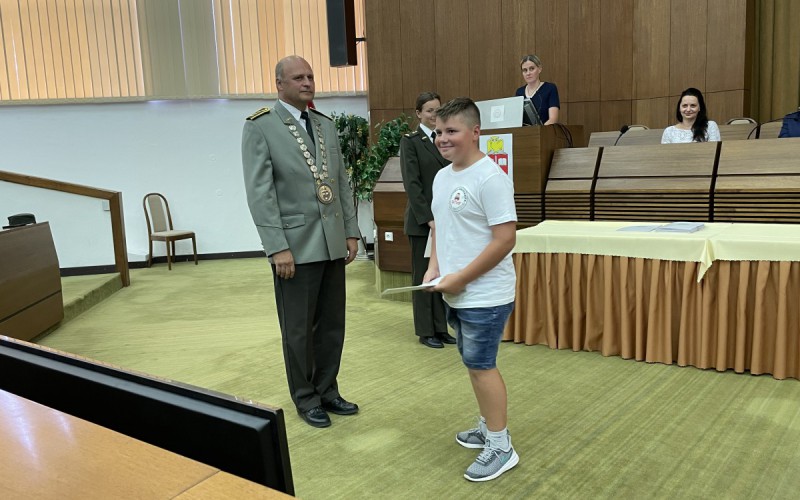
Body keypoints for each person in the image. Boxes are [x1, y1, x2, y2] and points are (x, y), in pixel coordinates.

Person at [241, 55, 361, 429]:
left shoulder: (325, 124)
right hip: (294, 246)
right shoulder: (261, 126)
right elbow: (260, 193)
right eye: (298, 78)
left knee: (331, 325)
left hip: (331, 242)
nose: (307, 82)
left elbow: (341, 183)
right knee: (298, 329)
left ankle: (327, 390)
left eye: (310, 76)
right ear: (279, 84)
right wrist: (277, 246)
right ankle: (306, 397)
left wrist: (351, 231)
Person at [424, 97, 519, 481]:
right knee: (472, 362)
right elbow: (439, 227)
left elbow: (505, 239)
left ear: (476, 132)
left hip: (486, 295)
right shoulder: (442, 176)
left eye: (452, 131)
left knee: (481, 367)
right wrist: (434, 267)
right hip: (456, 291)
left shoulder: (491, 178)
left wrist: (462, 277)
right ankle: (487, 425)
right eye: (438, 132)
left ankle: (500, 445)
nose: (443, 139)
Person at [399, 91, 454, 349]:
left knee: (441, 275)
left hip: (445, 220)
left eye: (438, 110)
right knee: (424, 276)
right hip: (423, 223)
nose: (435, 115)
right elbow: (412, 185)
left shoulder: (445, 140)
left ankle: (440, 328)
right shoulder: (411, 141)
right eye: (430, 110)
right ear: (418, 113)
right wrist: (429, 219)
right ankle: (425, 330)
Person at [515, 55, 560, 125]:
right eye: (525, 70)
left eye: (531, 69)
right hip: (524, 131)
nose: (528, 73)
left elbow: (553, 119)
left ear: (539, 69)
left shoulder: (550, 88)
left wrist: (539, 130)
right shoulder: (519, 92)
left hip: (544, 130)